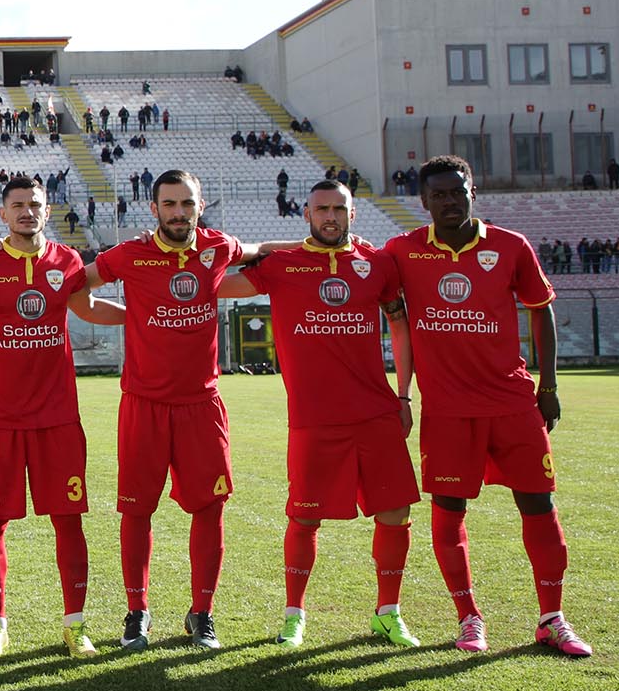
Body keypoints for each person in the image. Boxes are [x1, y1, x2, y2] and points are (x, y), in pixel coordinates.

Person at [80, 170, 299, 650]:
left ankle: (202, 613)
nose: (179, 212)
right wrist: (124, 315)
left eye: (188, 204)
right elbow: (79, 285)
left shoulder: (217, 247)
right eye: (170, 204)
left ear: (200, 206)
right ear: (153, 209)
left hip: (202, 405)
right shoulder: (130, 254)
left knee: (210, 508)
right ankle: (137, 612)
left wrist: (320, 240)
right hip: (144, 404)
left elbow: (262, 251)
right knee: (137, 511)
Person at [383, 156, 590, 657]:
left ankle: (552, 618)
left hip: (513, 403)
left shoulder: (510, 246)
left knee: (538, 504)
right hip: (448, 411)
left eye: (458, 191)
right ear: (424, 201)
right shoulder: (403, 252)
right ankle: (468, 617)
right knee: (449, 511)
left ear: (472, 191)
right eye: (439, 195)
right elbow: (364, 281)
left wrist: (549, 385)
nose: (449, 201)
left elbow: (541, 311)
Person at [218, 181, 422, 647]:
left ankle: (388, 612)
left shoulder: (378, 265)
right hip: (314, 417)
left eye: (339, 209)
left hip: (376, 412)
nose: (331, 217)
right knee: (304, 517)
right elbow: (211, 284)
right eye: (322, 209)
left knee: (394, 511)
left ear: (354, 214)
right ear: (306, 214)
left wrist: (404, 395)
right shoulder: (284, 265)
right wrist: (266, 248)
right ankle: (294, 614)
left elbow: (400, 323)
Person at [0, 177, 124, 658]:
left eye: (36, 205)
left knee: (69, 522)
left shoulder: (66, 262)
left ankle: (75, 626)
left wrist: (138, 312)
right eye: (18, 206)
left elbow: (86, 308)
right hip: (1, 419)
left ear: (48, 212)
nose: (27, 212)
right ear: (2, 214)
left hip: (59, 417)